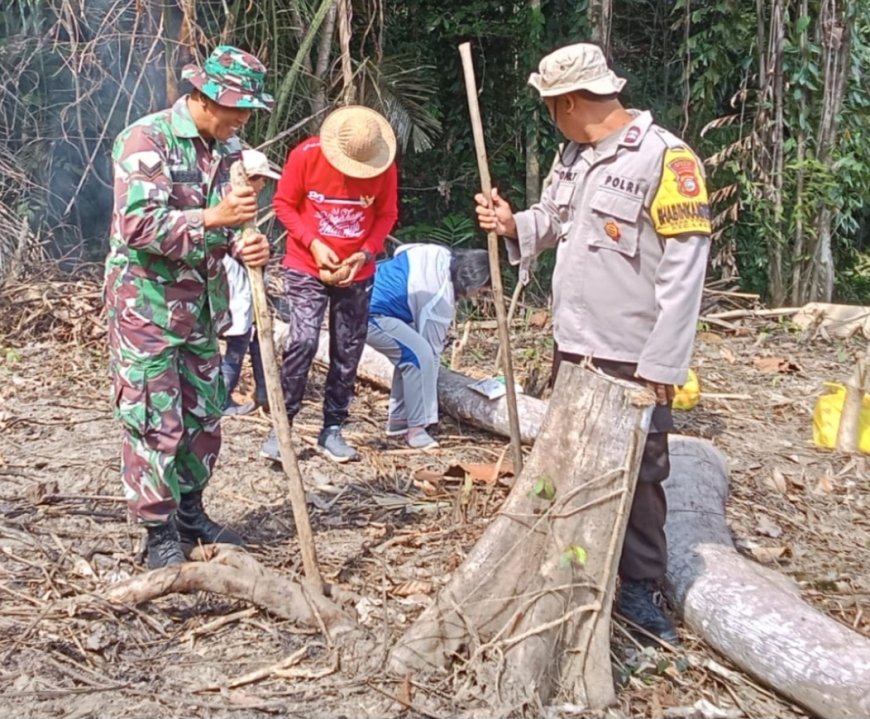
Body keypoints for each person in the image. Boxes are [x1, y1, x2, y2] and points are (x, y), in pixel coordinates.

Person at [474, 43, 710, 644]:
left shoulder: (666, 160)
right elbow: (554, 221)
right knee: (574, 456)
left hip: (631, 349)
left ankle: (641, 585)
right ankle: (575, 564)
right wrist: (512, 224)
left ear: (570, 101)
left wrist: (665, 361)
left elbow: (685, 272)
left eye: (551, 105)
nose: (551, 115)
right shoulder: (574, 156)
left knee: (642, 469)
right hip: (574, 341)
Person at [105, 45, 273, 569]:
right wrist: (212, 220)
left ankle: (191, 513)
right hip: (147, 309)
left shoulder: (229, 150)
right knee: (156, 417)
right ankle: (159, 532)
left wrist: (249, 244)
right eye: (238, 107)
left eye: (249, 109)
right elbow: (138, 228)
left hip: (200, 309)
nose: (244, 118)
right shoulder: (145, 140)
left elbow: (234, 227)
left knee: (203, 413)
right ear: (206, 96)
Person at [261, 105, 399, 463]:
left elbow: (387, 214)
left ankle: (332, 428)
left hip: (358, 271)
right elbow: (283, 204)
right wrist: (313, 242)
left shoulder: (383, 168)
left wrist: (366, 253)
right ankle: (282, 426)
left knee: (347, 349)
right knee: (304, 340)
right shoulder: (306, 156)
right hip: (307, 264)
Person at [367, 244, 491, 449]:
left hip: (367, 296)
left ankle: (399, 421)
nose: (478, 295)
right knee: (419, 354)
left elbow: (401, 250)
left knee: (409, 350)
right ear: (472, 284)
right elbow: (431, 355)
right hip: (369, 314)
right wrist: (430, 416)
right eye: (482, 289)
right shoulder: (440, 300)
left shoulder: (439, 253)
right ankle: (417, 428)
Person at [220, 149, 281, 416]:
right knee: (239, 342)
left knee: (258, 337)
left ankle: (265, 393)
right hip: (236, 285)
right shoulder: (228, 206)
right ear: (249, 177)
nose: (263, 184)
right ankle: (222, 399)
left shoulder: (243, 207)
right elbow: (237, 248)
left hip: (249, 285)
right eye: (260, 179)